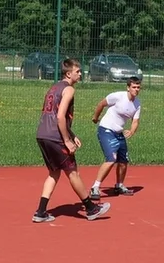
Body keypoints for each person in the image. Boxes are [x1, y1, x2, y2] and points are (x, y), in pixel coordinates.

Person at [32, 58, 111, 223]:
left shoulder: (54, 87)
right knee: (72, 172)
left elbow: (53, 115)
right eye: (78, 71)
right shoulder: (68, 89)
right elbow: (60, 116)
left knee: (54, 172)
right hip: (55, 137)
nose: (81, 74)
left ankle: (40, 212)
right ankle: (91, 208)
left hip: (42, 134)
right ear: (69, 74)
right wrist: (67, 140)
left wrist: (71, 133)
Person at [90, 76, 142, 199]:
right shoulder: (118, 96)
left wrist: (132, 131)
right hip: (106, 129)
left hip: (119, 133)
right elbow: (101, 104)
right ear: (128, 88)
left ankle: (119, 185)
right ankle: (95, 187)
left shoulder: (137, 104)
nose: (136, 89)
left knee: (123, 161)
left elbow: (135, 121)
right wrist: (95, 117)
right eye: (134, 87)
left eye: (138, 87)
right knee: (111, 159)